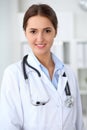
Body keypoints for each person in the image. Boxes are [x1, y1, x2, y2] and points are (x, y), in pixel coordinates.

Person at [0, 3, 85, 130]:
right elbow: (9, 126)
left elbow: (79, 124)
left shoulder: (69, 73)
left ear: (55, 31)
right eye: (33, 31)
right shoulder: (13, 74)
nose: (40, 38)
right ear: (25, 33)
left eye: (47, 31)